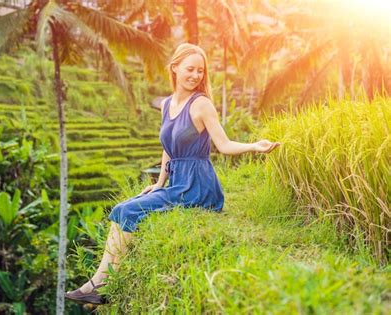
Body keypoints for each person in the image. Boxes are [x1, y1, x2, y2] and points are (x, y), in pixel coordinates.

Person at [65, 43, 280, 305]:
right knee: (123, 207)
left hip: (198, 186)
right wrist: (159, 183)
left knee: (130, 211)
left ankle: (99, 284)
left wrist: (254, 146)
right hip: (177, 182)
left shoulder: (201, 104)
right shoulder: (167, 103)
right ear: (175, 68)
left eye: (200, 71)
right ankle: (99, 282)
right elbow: (168, 147)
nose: (195, 75)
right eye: (190, 69)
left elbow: (223, 145)